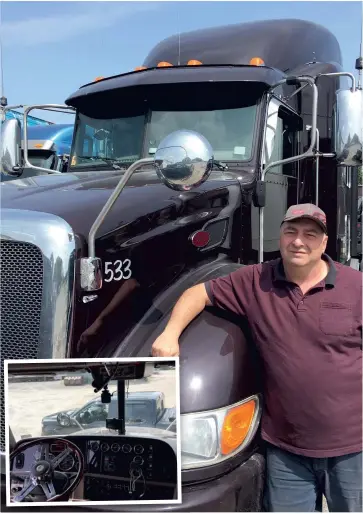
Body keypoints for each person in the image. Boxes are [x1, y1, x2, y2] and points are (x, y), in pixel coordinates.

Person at [151, 203, 362, 512]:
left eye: (310, 234)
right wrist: (169, 334)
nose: (299, 241)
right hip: (286, 451)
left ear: (325, 243)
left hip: (351, 448)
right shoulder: (255, 281)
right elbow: (198, 294)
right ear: (280, 236)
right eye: (291, 232)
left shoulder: (356, 287)